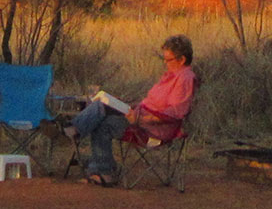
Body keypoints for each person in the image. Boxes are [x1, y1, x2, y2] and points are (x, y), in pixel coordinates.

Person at [71, 35, 195, 187]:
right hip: (139, 118)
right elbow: (153, 103)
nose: (165, 63)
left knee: (102, 117)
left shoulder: (184, 79)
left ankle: (73, 133)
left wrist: (141, 119)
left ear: (181, 59)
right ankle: (100, 168)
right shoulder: (171, 76)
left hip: (153, 130)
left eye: (168, 60)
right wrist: (129, 107)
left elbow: (175, 113)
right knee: (102, 104)